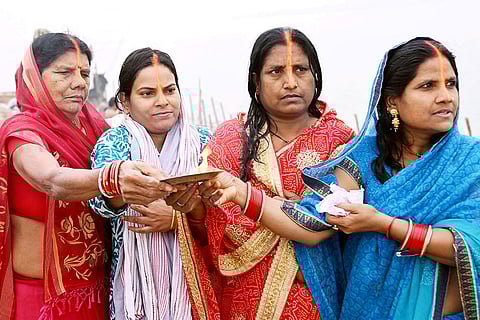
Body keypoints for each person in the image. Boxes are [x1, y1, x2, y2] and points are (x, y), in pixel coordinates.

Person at [201, 37, 480, 319]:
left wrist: (384, 225)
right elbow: (316, 224)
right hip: (372, 311)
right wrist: (242, 193)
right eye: (428, 86)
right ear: (393, 100)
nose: (446, 96)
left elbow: (470, 246)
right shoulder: (362, 158)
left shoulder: (471, 162)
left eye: (451, 84)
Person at [177, 27, 354, 320]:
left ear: (316, 77)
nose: (290, 82)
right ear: (256, 83)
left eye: (300, 70)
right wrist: (193, 208)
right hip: (241, 300)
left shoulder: (340, 140)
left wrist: (251, 198)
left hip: (312, 300)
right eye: (276, 72)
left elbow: (328, 221)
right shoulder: (232, 138)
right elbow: (215, 219)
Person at [0, 33, 176, 320]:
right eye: (64, 72)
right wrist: (113, 178)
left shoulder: (96, 129)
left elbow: (146, 140)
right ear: (34, 78)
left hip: (98, 296)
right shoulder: (22, 132)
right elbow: (52, 179)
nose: (79, 82)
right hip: (40, 302)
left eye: (84, 73)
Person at [88, 48, 220, 320]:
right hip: (134, 288)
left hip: (198, 283)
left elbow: (225, 213)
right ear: (125, 100)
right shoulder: (114, 142)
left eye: (170, 91)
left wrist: (176, 220)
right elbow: (98, 203)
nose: (163, 101)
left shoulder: (206, 144)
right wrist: (124, 187)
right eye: (148, 94)